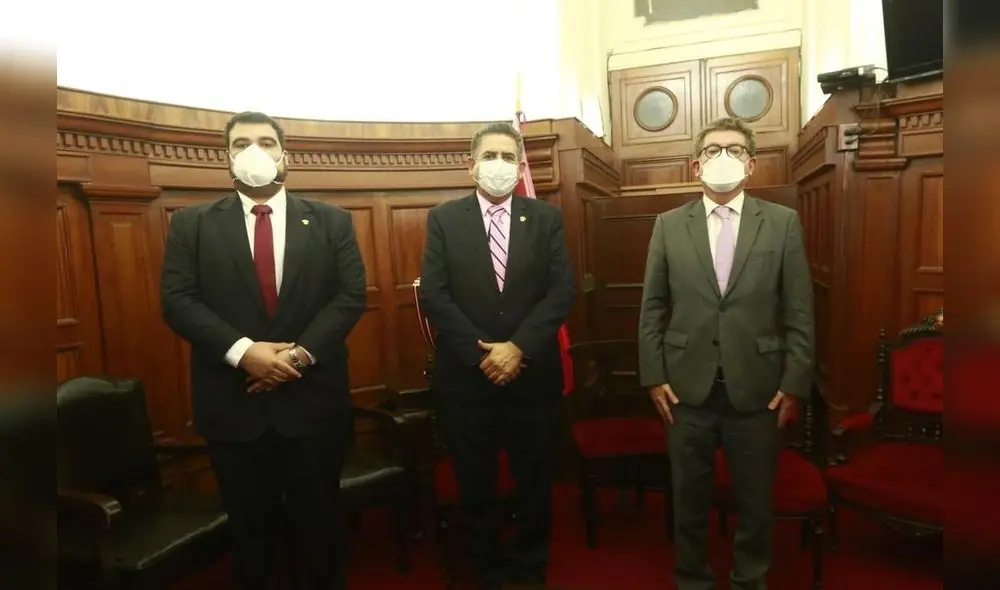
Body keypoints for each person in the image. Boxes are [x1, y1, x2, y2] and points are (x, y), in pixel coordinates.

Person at [160, 111, 367, 590]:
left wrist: (295, 358)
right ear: (227, 157)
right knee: (250, 534)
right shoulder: (190, 225)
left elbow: (350, 296)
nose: (255, 150)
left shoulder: (333, 221)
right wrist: (244, 352)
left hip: (314, 403)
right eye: (242, 143)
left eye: (266, 141)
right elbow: (177, 301)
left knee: (318, 527)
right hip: (233, 406)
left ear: (284, 154)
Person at [637, 117, 815, 590]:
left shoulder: (782, 223)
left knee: (756, 503)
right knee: (688, 499)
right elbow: (652, 306)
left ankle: (748, 581)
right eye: (713, 149)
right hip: (684, 388)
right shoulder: (668, 225)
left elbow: (799, 309)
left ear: (751, 164)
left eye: (734, 149)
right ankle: (691, 579)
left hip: (758, 389)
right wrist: (653, 376)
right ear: (696, 165)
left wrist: (795, 382)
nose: (723, 157)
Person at [418, 121, 576, 589]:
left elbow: (561, 291)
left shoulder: (544, 218)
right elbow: (435, 294)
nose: (501, 166)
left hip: (532, 376)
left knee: (533, 480)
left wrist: (518, 348)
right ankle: (488, 569)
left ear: (521, 165)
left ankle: (531, 569)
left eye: (510, 157)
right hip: (467, 378)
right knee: (476, 480)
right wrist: (482, 354)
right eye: (491, 156)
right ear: (472, 165)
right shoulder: (444, 219)